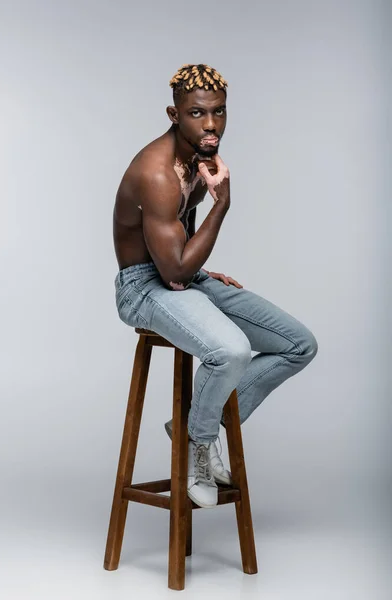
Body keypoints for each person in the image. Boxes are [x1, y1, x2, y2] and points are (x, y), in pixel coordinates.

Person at [113, 63, 318, 509]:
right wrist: (221, 205)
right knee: (231, 351)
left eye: (219, 112)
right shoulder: (159, 173)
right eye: (197, 114)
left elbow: (182, 255)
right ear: (174, 114)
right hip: (143, 287)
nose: (211, 125)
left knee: (298, 345)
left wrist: (200, 271)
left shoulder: (198, 160)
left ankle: (192, 423)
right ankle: (198, 446)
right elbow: (172, 274)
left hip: (181, 272)